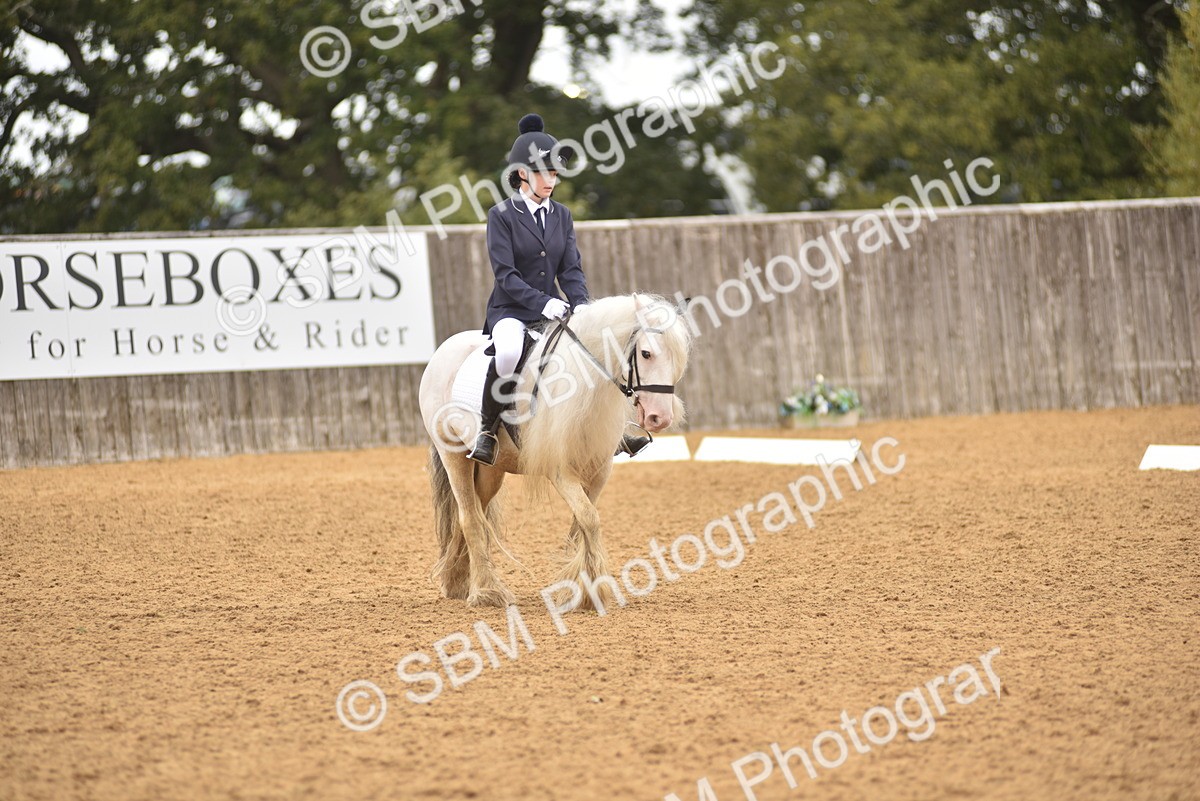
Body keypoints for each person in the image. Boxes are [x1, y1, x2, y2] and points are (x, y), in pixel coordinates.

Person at [467, 113, 650, 465]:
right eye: (541, 172)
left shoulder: (562, 215)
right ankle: (487, 430)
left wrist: (580, 302)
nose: (550, 179)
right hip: (512, 311)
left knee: (591, 351)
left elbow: (570, 268)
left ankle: (611, 433)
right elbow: (505, 275)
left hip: (555, 308)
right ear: (522, 173)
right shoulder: (501, 215)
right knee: (507, 354)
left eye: (554, 172)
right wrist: (544, 302)